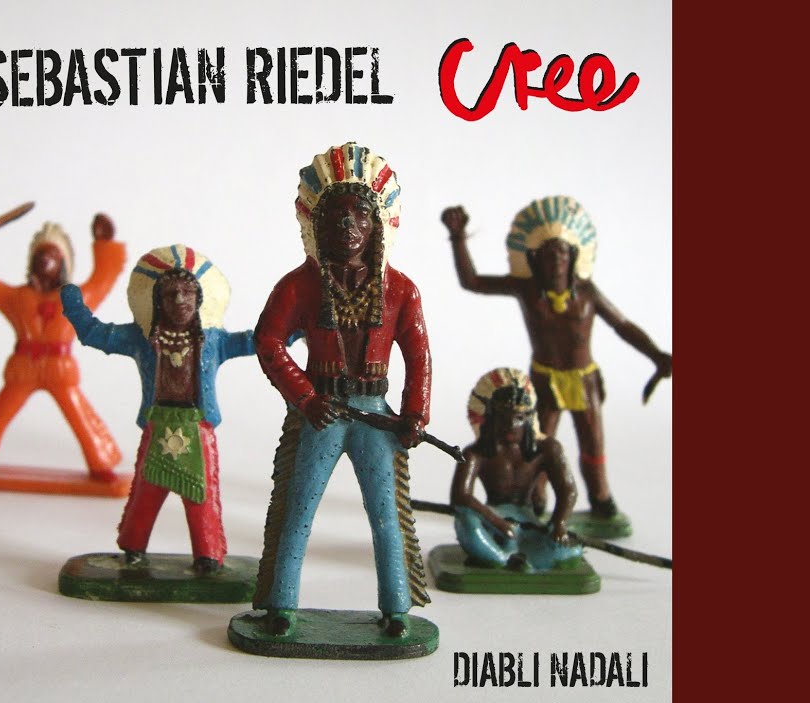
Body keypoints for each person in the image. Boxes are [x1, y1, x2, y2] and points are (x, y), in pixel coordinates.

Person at [251, 141, 431, 638]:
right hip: (323, 412)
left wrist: (414, 414)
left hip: (375, 413)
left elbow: (419, 357)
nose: (347, 226)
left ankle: (397, 608)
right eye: (334, 216)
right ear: (316, 225)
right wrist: (306, 398)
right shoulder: (299, 285)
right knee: (298, 508)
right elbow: (267, 341)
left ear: (377, 226)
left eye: (360, 216)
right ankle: (281, 604)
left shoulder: (401, 290)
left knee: (386, 514)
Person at [442, 198, 671, 529]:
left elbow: (623, 326)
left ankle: (601, 499)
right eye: (548, 255)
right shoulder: (526, 289)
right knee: (535, 444)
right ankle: (536, 501)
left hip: (584, 380)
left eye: (562, 253)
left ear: (574, 256)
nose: (556, 261)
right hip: (544, 380)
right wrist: (458, 237)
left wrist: (656, 354)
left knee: (593, 442)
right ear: (535, 259)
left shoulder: (587, 293)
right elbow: (473, 282)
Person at [61, 245, 253, 574]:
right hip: (158, 423)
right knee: (145, 492)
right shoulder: (141, 338)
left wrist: (294, 327)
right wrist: (72, 301)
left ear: (200, 299)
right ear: (157, 301)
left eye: (187, 293)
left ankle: (208, 554)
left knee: (202, 495)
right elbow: (95, 334)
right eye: (170, 294)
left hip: (197, 427)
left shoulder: (213, 340)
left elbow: (255, 341)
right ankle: (133, 547)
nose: (179, 300)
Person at [0, 214, 124, 476]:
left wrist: (104, 243)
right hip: (24, 368)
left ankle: (101, 463)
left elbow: (103, 278)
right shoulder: (17, 298)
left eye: (53, 255)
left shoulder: (77, 298)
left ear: (63, 263)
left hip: (60, 370)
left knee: (80, 416)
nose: (45, 260)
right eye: (40, 255)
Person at [452, 368, 582, 571]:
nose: (511, 424)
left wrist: (559, 523)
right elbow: (461, 496)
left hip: (529, 522)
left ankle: (523, 558)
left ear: (529, 418)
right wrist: (497, 522)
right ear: (492, 418)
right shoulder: (476, 453)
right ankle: (502, 558)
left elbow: (568, 490)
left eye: (519, 418)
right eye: (503, 417)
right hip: (491, 520)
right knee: (466, 521)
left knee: (567, 549)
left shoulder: (547, 449)